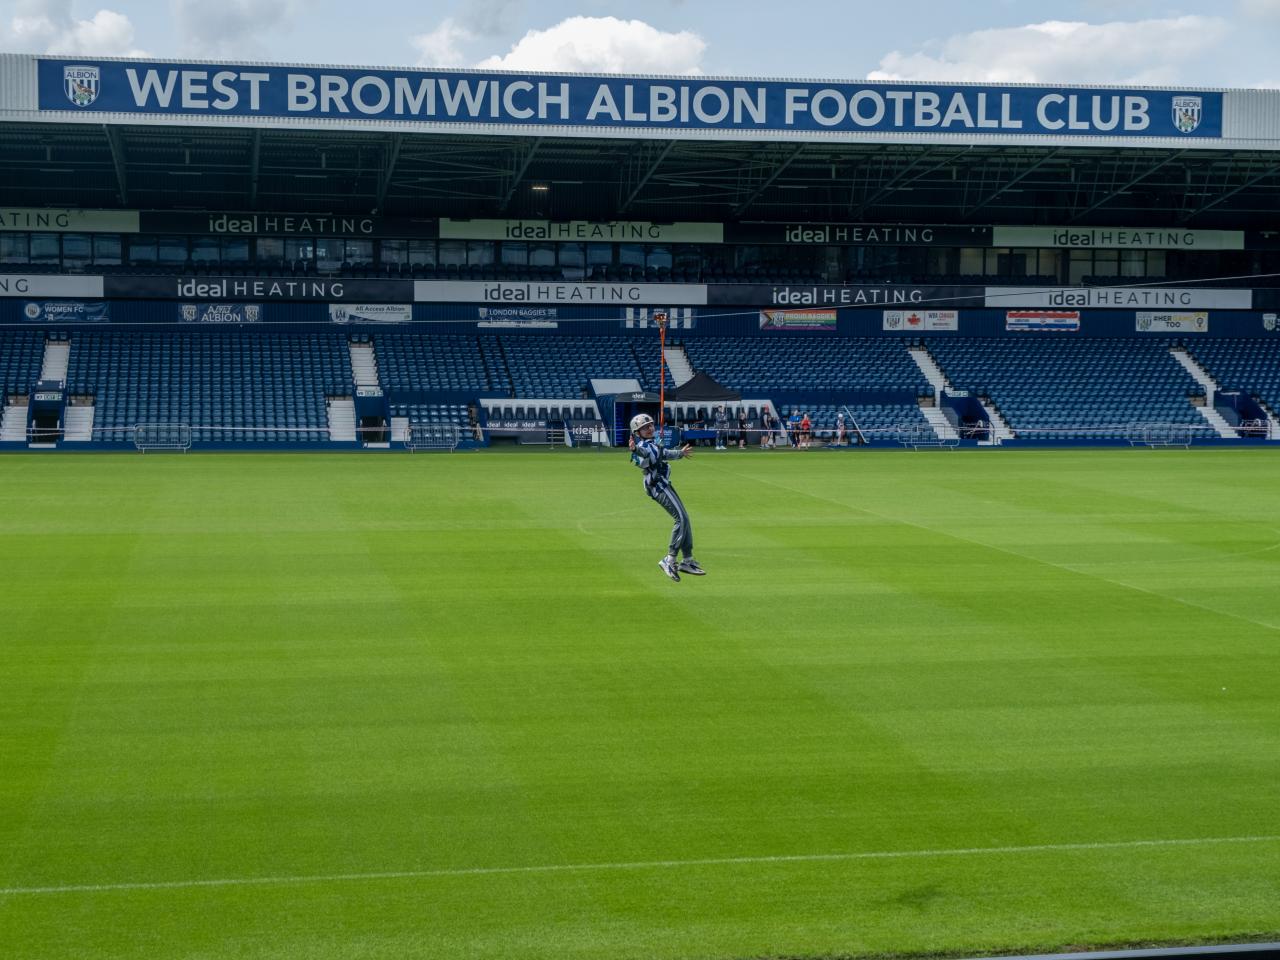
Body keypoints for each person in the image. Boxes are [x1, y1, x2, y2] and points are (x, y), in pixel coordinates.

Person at [629, 413, 705, 582]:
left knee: (685, 518)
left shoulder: (652, 444)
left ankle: (687, 560)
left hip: (664, 483)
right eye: (645, 427)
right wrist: (636, 449)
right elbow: (646, 454)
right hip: (658, 486)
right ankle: (669, 559)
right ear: (637, 432)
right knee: (681, 520)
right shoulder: (643, 447)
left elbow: (664, 453)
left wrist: (680, 453)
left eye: (650, 425)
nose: (650, 428)